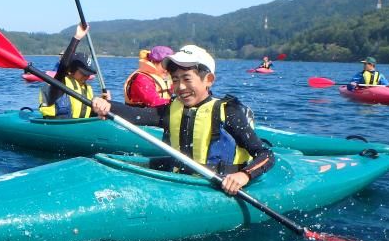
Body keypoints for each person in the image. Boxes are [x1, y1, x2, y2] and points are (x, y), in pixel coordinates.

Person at [91, 45, 274, 196]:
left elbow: (265, 156)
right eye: (175, 80)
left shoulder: (228, 111)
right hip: (178, 180)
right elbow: (137, 114)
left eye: (187, 79)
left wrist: (244, 175)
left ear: (208, 80)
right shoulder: (173, 109)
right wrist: (107, 106)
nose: (180, 87)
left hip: (216, 186)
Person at [39, 23, 110, 118]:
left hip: (79, 128)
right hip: (57, 127)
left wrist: (102, 105)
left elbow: (89, 115)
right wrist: (77, 37)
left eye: (88, 74)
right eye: (83, 73)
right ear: (71, 70)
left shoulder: (87, 89)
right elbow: (63, 66)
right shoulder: (59, 84)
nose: (86, 76)